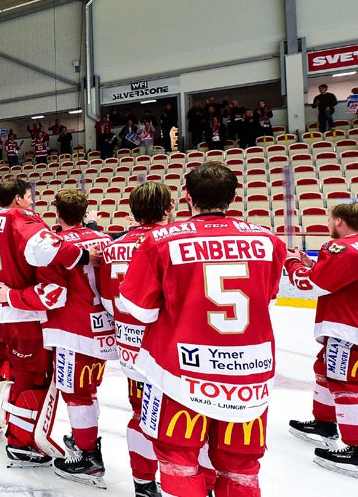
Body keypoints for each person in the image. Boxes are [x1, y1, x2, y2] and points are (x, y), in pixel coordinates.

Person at [118, 161, 286, 497]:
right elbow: (267, 299)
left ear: (186, 197)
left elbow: (136, 309)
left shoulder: (160, 241)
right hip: (248, 373)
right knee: (240, 467)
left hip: (180, 373)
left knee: (178, 458)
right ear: (233, 196)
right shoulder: (269, 241)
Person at [0, 178, 91, 466]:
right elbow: (45, 247)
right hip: (19, 317)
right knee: (32, 375)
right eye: (28, 196)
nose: (31, 202)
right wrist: (83, 255)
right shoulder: (22, 219)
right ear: (18, 199)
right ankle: (22, 443)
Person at [101, 182, 176, 497]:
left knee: (140, 412)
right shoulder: (174, 242)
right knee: (183, 418)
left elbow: (107, 299)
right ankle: (187, 484)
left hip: (130, 346)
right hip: (167, 348)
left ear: (131, 213)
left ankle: (144, 483)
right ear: (169, 209)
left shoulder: (111, 247)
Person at [39, 188, 114, 487]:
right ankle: (87, 439)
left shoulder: (57, 245)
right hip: (103, 327)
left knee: (76, 394)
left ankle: (88, 457)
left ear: (57, 213)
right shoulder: (106, 240)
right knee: (89, 389)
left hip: (73, 330)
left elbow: (51, 295)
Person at [284, 202, 358, 477]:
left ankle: (355, 450)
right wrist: (315, 265)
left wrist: (291, 263)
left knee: (345, 383)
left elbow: (312, 285)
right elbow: (345, 278)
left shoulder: (341, 248)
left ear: (339, 221)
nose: (328, 224)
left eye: (329, 219)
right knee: (325, 371)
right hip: (349, 325)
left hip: (347, 329)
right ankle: (324, 423)